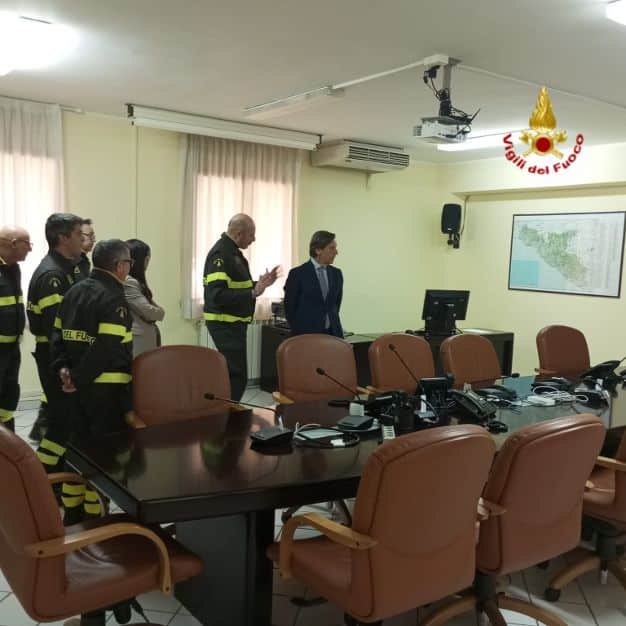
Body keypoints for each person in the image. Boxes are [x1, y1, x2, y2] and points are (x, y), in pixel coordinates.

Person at [50, 239, 133, 524]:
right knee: (102, 458)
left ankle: (72, 515)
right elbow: (106, 348)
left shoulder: (73, 291)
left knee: (77, 452)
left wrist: (64, 368)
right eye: (128, 263)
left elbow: (57, 335)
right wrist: (80, 378)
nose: (129, 268)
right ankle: (96, 520)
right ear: (119, 266)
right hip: (105, 392)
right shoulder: (114, 297)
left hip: (73, 389)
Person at [27, 213, 84, 472]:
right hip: (55, 357)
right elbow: (57, 330)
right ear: (63, 237)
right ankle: (41, 478)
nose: (83, 240)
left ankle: (53, 477)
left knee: (64, 423)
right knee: (63, 425)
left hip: (57, 356)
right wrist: (66, 366)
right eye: (78, 234)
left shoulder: (66, 269)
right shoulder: (52, 275)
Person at [203, 214, 278, 401]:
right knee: (236, 376)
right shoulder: (221, 254)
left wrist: (259, 284)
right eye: (251, 234)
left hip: (233, 324)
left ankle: (228, 410)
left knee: (235, 374)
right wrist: (252, 292)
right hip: (225, 324)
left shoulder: (232, 252)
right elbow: (217, 295)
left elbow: (237, 286)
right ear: (238, 233)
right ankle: (229, 413)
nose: (254, 239)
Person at [0, 226, 31, 431]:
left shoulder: (13, 269)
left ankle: (7, 436)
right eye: (27, 243)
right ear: (13, 244)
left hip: (11, 348)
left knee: (9, 394)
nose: (30, 248)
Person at [284, 230, 343, 337]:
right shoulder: (297, 274)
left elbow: (336, 305)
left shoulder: (337, 274)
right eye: (331, 248)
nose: (336, 252)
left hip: (333, 334)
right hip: (306, 335)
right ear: (318, 250)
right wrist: (299, 329)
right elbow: (290, 308)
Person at [124, 239, 165, 357]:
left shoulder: (134, 281)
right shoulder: (129, 282)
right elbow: (150, 311)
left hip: (143, 337)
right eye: (147, 259)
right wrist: (161, 311)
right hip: (137, 338)